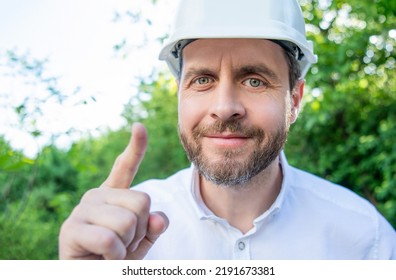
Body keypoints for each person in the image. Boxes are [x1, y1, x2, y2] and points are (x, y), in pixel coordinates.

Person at [58, 0, 396, 260]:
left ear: (295, 98)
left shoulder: (366, 238)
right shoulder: (118, 236)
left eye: (254, 80)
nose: (224, 106)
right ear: (179, 96)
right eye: (202, 80)